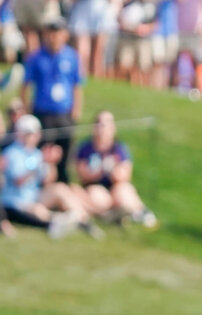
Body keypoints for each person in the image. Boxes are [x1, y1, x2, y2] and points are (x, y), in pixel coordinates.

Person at [1, 114, 102, 239]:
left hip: (34, 196)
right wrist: (41, 162)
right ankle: (59, 222)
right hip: (16, 201)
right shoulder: (12, 153)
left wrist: (50, 163)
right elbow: (19, 181)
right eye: (28, 133)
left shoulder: (37, 154)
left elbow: (48, 180)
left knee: (59, 188)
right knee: (38, 210)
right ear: (20, 134)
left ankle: (83, 220)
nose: (32, 137)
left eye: (34, 133)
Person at [20, 17, 84, 184]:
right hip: (43, 112)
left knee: (65, 151)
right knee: (44, 152)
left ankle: (63, 182)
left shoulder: (71, 56)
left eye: (58, 32)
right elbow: (25, 85)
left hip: (64, 112)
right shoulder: (36, 57)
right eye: (51, 33)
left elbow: (77, 85)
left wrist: (76, 110)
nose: (54, 37)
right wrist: (26, 110)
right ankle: (42, 184)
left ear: (64, 34)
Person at [72, 110, 157, 228]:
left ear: (113, 128)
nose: (102, 128)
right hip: (94, 187)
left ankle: (141, 213)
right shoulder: (85, 148)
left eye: (106, 124)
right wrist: (100, 170)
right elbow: (82, 174)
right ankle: (113, 215)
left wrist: (112, 169)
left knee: (123, 191)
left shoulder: (119, 149)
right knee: (97, 196)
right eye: (99, 123)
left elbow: (125, 176)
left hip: (115, 188)